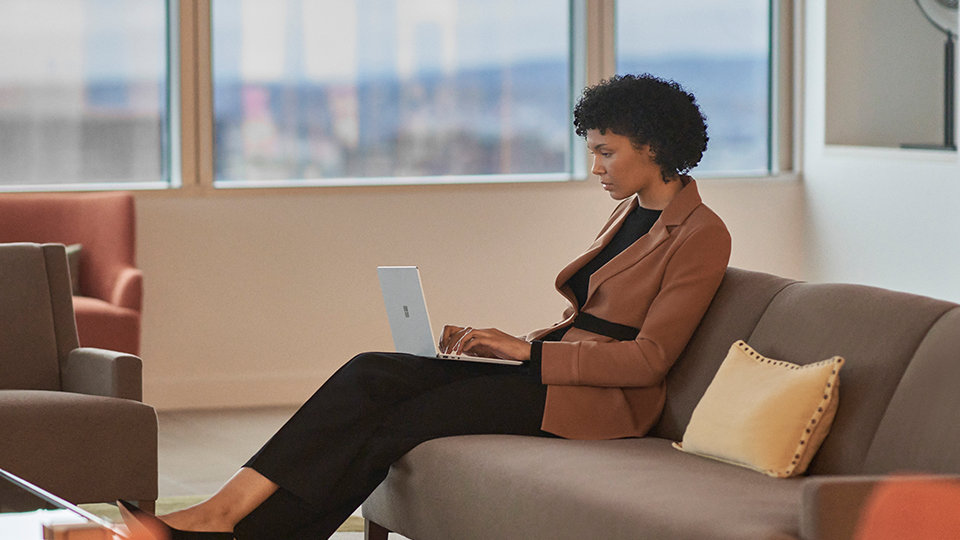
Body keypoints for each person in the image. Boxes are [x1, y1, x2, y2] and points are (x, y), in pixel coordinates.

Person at [117, 73, 732, 539]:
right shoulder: (630, 209)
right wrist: (514, 346)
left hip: (603, 404)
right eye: (592, 149)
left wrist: (529, 354)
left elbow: (650, 360)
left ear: (652, 146)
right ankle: (223, 511)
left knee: (400, 421)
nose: (593, 165)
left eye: (606, 152)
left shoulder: (703, 233)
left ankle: (237, 528)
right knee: (371, 371)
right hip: (554, 370)